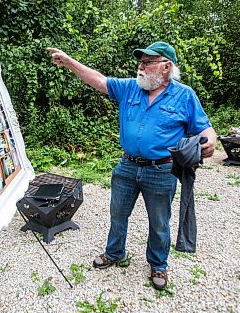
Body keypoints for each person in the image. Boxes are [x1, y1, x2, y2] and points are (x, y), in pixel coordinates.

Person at [46, 42, 217, 290]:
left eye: (147, 62)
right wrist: (70, 62)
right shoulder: (130, 88)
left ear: (166, 67)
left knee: (159, 222)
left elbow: (205, 128)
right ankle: (115, 253)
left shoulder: (184, 95)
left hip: (161, 170)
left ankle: (158, 264)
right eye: (140, 62)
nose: (141, 67)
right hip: (126, 167)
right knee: (118, 214)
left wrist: (210, 141)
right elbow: (99, 81)